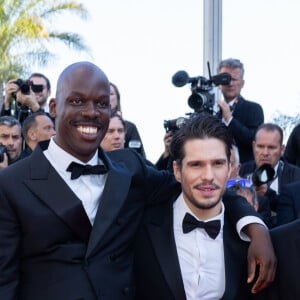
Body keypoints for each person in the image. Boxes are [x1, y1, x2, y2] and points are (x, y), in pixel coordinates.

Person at [0, 61, 276, 300]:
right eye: (77, 101)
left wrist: (255, 227)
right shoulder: (11, 184)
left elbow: (201, 186)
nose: (91, 113)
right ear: (54, 106)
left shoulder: (129, 168)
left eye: (101, 104)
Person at [134, 114, 274, 300]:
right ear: (177, 171)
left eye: (217, 163)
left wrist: (258, 230)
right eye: (196, 165)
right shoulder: (142, 227)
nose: (208, 175)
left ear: (229, 168)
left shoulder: (249, 239)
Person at [240, 123, 300, 227]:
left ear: (282, 149)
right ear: (254, 146)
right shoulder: (242, 172)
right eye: (260, 146)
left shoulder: (296, 175)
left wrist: (268, 194)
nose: (265, 152)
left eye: (271, 147)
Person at [216, 58, 264, 163]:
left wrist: (229, 119)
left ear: (242, 83)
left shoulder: (254, 109)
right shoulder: (213, 113)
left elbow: (254, 141)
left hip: (244, 173)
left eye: (234, 79)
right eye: (226, 79)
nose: (230, 84)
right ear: (219, 84)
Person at [109, 82, 146, 157]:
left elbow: (139, 157)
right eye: (110, 131)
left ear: (117, 99)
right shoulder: (93, 127)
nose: (116, 136)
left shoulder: (130, 127)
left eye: (111, 94)